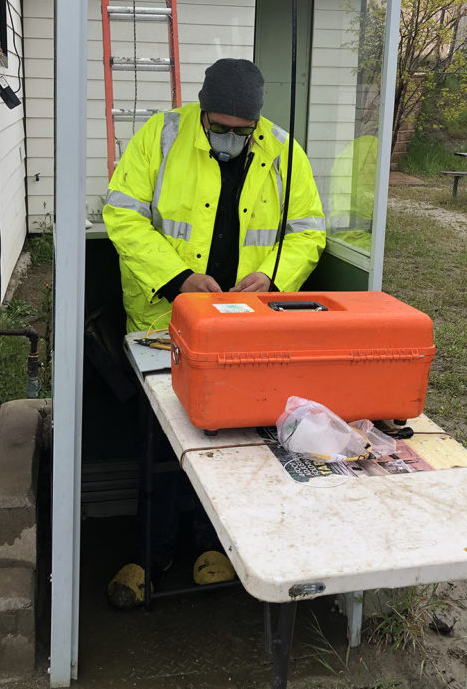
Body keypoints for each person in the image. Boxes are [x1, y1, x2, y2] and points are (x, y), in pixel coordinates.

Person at [102, 57, 326, 608]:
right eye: (218, 127)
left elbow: (309, 231)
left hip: (245, 330)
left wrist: (274, 277)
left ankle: (213, 546)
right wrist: (177, 278)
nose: (228, 139)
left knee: (229, 439)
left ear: (256, 123)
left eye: (240, 132)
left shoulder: (282, 152)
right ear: (201, 111)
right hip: (167, 323)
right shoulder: (161, 136)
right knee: (158, 439)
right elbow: (122, 214)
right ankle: (149, 554)